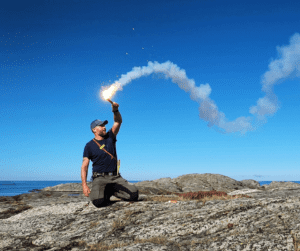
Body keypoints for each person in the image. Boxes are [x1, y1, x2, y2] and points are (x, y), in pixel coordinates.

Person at [81, 101, 139, 207]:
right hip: (99, 178)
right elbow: (84, 166)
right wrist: (84, 185)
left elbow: (118, 122)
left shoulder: (110, 137)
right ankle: (105, 191)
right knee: (98, 202)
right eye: (101, 125)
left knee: (134, 194)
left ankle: (113, 190)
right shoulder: (89, 145)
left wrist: (115, 110)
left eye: (104, 125)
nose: (104, 127)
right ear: (94, 130)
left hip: (115, 177)